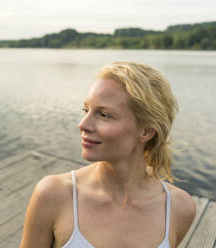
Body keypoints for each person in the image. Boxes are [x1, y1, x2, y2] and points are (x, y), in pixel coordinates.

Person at [20, 61, 196, 248]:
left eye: (104, 115)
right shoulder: (53, 194)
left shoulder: (179, 208)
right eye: (86, 110)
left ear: (146, 131)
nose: (83, 124)